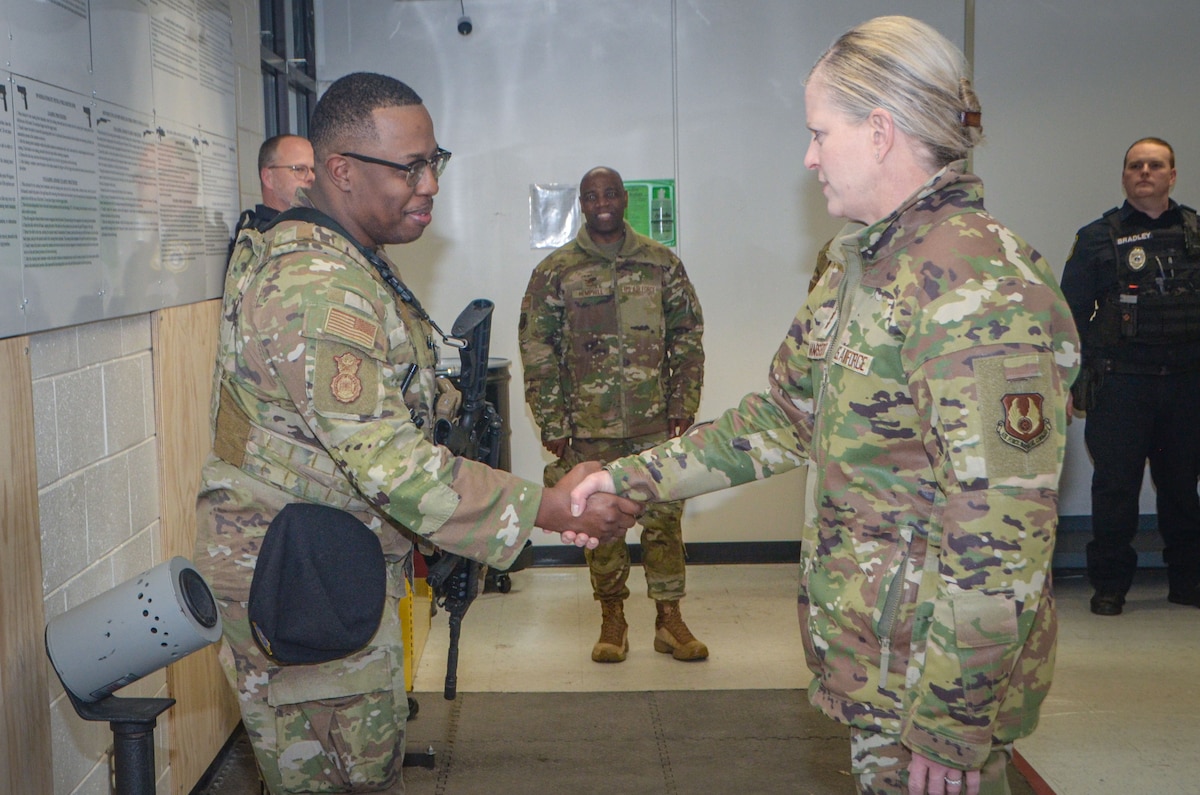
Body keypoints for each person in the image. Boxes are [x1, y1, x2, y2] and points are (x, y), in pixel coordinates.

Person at [568, 16, 1079, 795]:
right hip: (879, 663)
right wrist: (627, 479)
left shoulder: (976, 286)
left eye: (819, 133)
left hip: (930, 685)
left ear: (879, 130)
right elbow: (782, 417)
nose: (808, 158)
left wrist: (952, 724)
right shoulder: (862, 265)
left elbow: (1002, 531)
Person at [194, 72, 640, 795]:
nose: (430, 184)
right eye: (410, 167)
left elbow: (399, 395)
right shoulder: (318, 283)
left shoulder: (350, 259)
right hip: (301, 576)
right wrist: (550, 507)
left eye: (435, 162)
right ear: (341, 170)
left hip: (329, 556)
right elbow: (392, 466)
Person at [519, 166, 707, 663]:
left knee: (664, 522)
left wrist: (683, 403)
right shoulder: (556, 271)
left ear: (624, 199)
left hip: (654, 423)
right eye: (591, 196)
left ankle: (669, 619)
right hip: (588, 428)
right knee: (600, 526)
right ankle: (612, 618)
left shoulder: (661, 263)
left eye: (609, 194)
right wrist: (553, 422)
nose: (601, 203)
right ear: (581, 204)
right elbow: (537, 347)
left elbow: (687, 336)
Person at [1060, 137, 1200, 616]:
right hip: (1121, 384)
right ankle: (1110, 585)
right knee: (1115, 490)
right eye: (1136, 165)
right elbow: (1070, 314)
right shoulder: (1097, 237)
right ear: (1124, 176)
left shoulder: (1196, 231)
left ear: (1172, 175)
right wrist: (1068, 379)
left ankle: (1187, 581)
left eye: (1155, 165)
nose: (1145, 172)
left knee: (1182, 488)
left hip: (1186, 384)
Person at [236, 134, 316, 234]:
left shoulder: (314, 225)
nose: (312, 177)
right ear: (268, 178)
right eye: (299, 169)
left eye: (314, 170)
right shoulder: (262, 237)